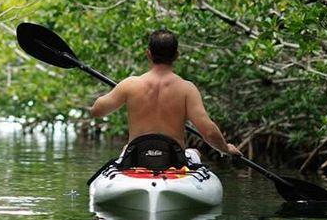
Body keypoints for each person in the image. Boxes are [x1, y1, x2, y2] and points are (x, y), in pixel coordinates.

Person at [89, 29, 241, 170]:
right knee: (194, 152)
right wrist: (226, 149)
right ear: (176, 55)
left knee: (125, 148)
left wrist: (119, 92)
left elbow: (96, 111)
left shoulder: (130, 85)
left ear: (148, 53)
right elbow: (208, 131)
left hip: (137, 158)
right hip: (174, 161)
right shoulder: (187, 88)